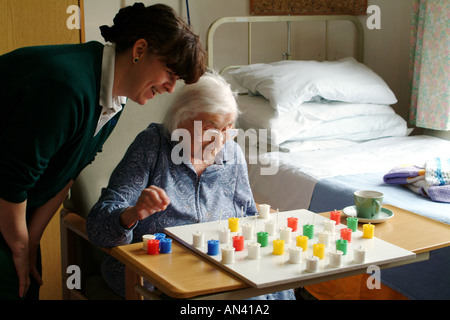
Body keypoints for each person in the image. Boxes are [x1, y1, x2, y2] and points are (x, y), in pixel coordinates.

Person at [0, 2, 206, 300]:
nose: (172, 88)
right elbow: (12, 180)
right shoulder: (68, 86)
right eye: (170, 73)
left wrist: (32, 241)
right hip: (6, 198)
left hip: (15, 207)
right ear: (140, 50)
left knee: (27, 282)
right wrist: (20, 247)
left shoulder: (114, 99)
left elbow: (68, 175)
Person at [86, 72, 295, 300]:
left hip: (219, 267)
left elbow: (247, 215)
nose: (220, 140)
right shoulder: (152, 145)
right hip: (153, 273)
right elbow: (97, 226)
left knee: (278, 287)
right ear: (180, 119)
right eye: (210, 128)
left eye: (228, 128)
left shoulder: (231, 153)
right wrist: (132, 213)